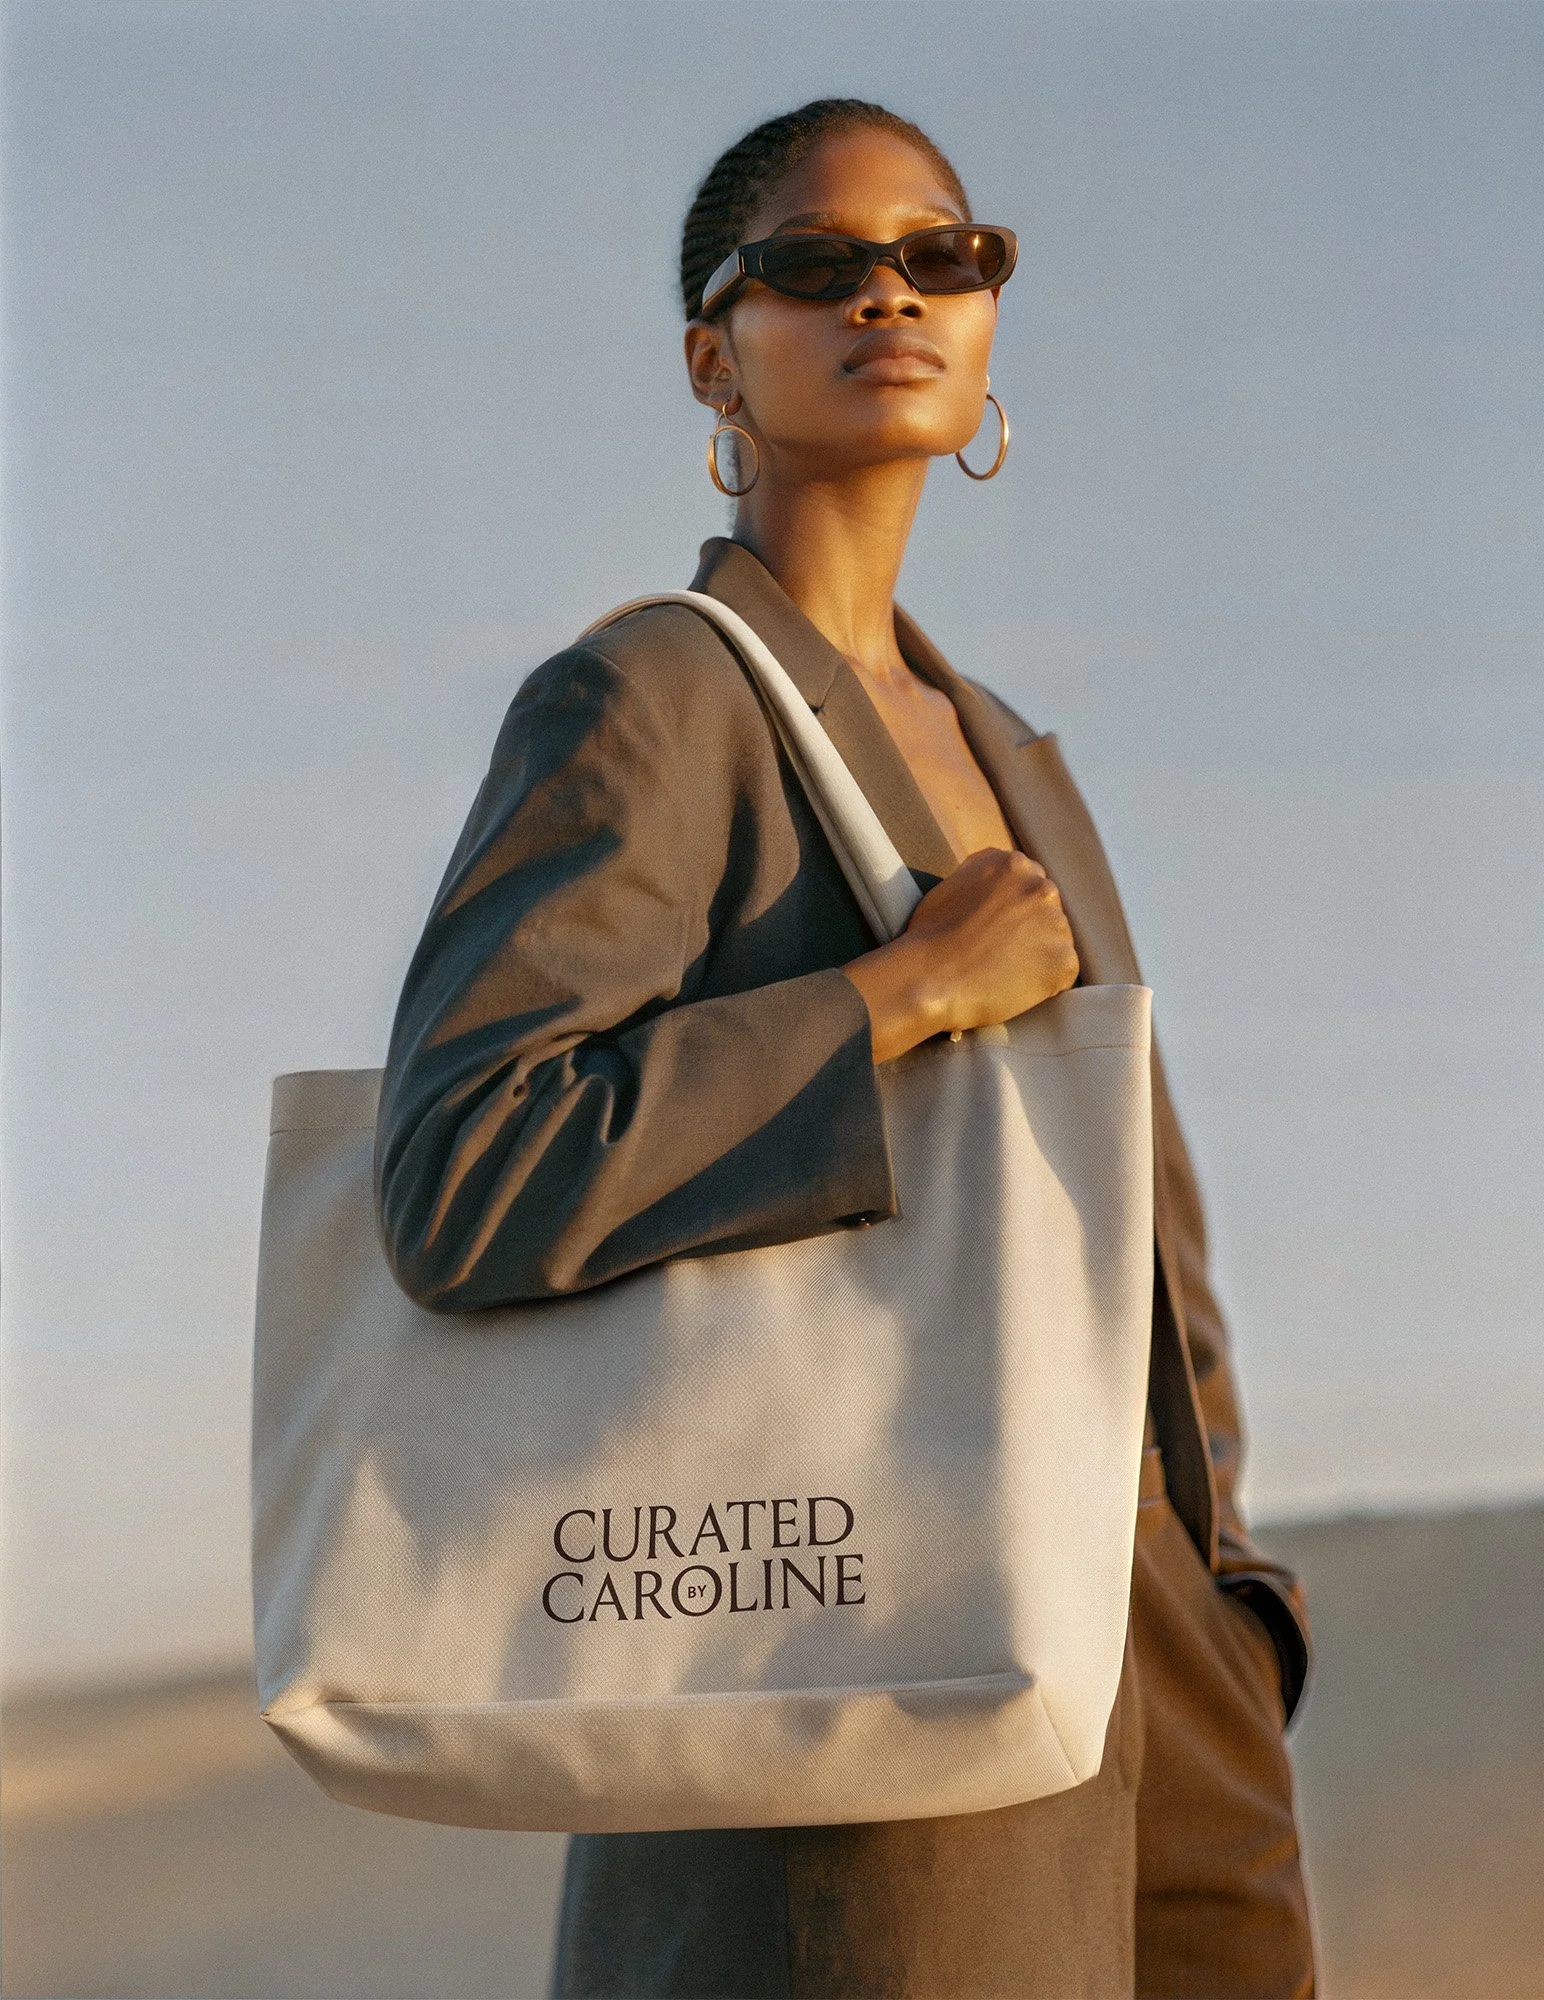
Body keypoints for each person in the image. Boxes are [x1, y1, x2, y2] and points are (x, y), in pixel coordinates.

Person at [376, 97, 1316, 2000]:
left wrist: (1231, 1607)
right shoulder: (647, 694)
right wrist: (894, 1002)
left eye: (945, 255)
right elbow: (463, 1168)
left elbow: (1141, 1220)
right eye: (818, 264)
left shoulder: (1014, 750)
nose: (891, 293)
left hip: (1157, 1666)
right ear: (716, 359)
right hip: (861, 1656)